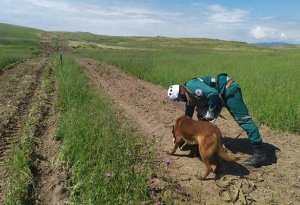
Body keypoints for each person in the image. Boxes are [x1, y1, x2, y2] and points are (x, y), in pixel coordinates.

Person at [167, 73, 267, 167]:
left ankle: (260, 154)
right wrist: (179, 135)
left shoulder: (192, 86)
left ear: (181, 91)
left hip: (229, 91)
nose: (180, 101)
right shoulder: (188, 95)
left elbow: (213, 94)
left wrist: (210, 111)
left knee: (244, 120)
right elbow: (187, 117)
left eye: (179, 98)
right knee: (202, 119)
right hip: (220, 94)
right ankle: (202, 146)